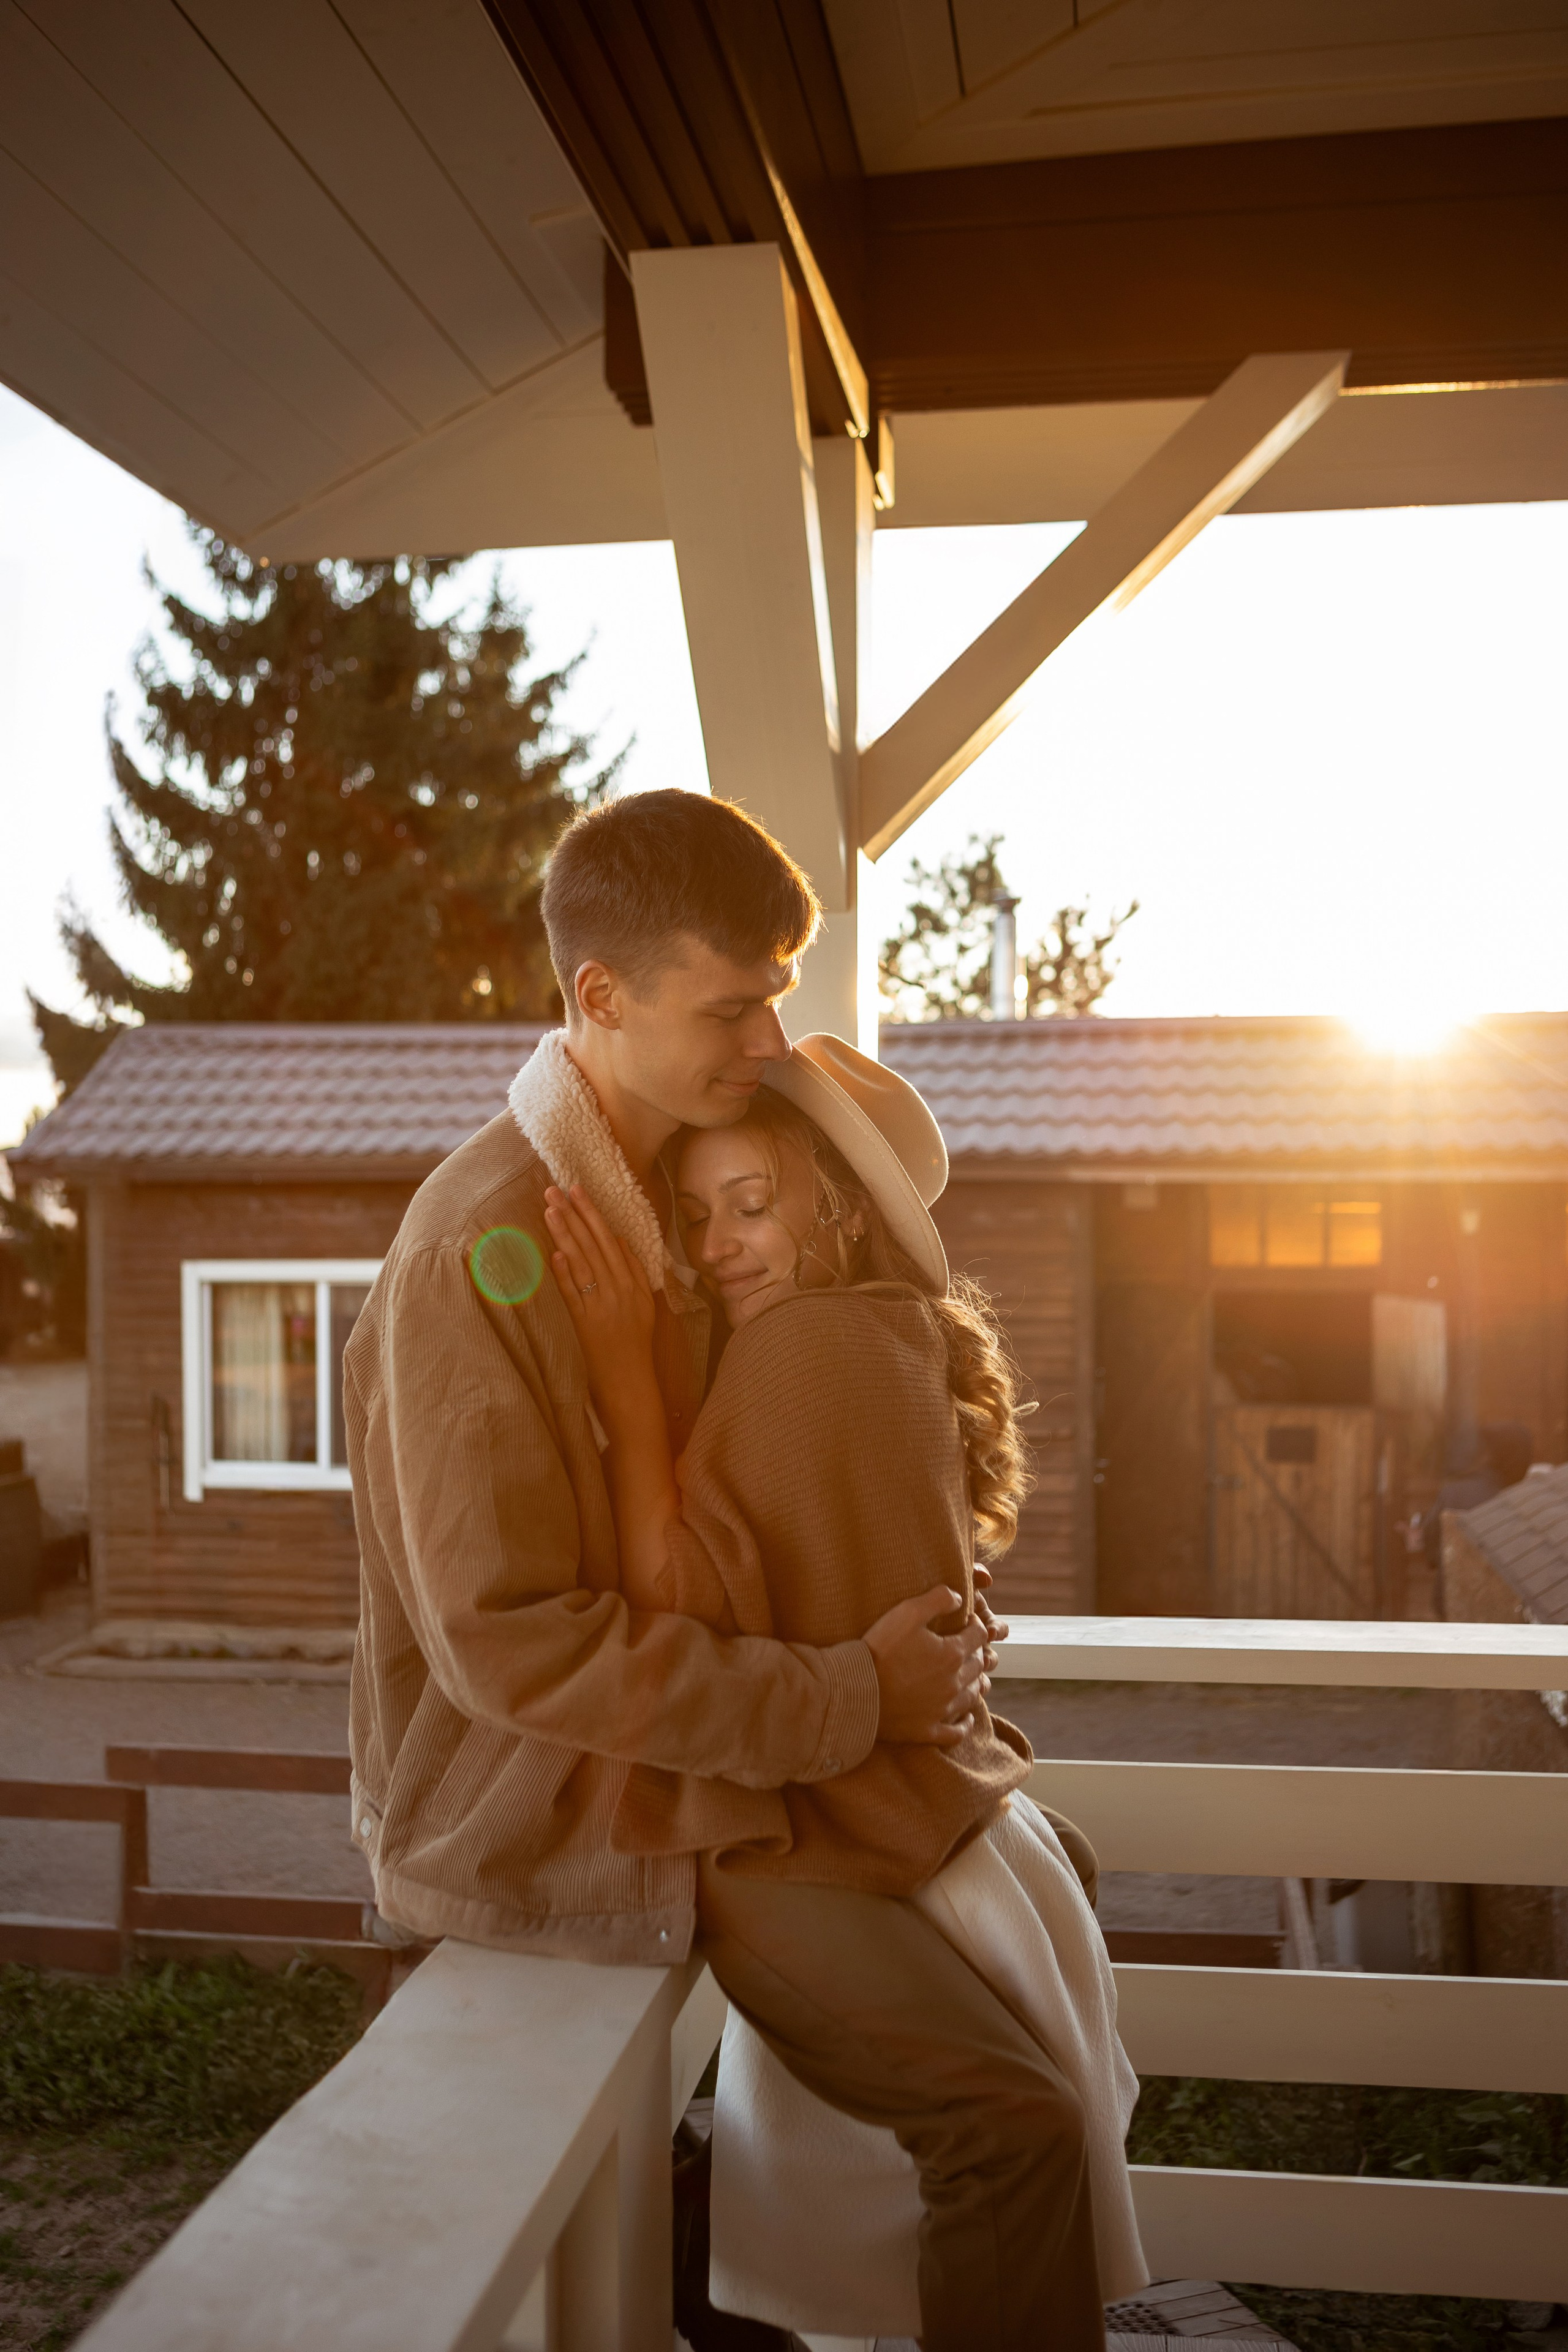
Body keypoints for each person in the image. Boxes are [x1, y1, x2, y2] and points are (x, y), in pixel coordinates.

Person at [543, 1037, 1145, 2351]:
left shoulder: (805, 1352)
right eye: (695, 1217)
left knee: (1006, 2134)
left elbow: (673, 1588)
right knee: (1009, 2120)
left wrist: (620, 1375)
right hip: (863, 1794)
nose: (716, 1248)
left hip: (786, 1830)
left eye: (752, 1206)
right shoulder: (893, 1335)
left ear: (841, 1210)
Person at [345, 790, 992, 1970]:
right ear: (602, 996)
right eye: (733, 1009)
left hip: (698, 1829)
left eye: (777, 1001)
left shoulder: (691, 1208)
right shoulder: (479, 1248)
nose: (770, 1045)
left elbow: (758, 1511)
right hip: (534, 1874)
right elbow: (507, 1646)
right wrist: (849, 1700)